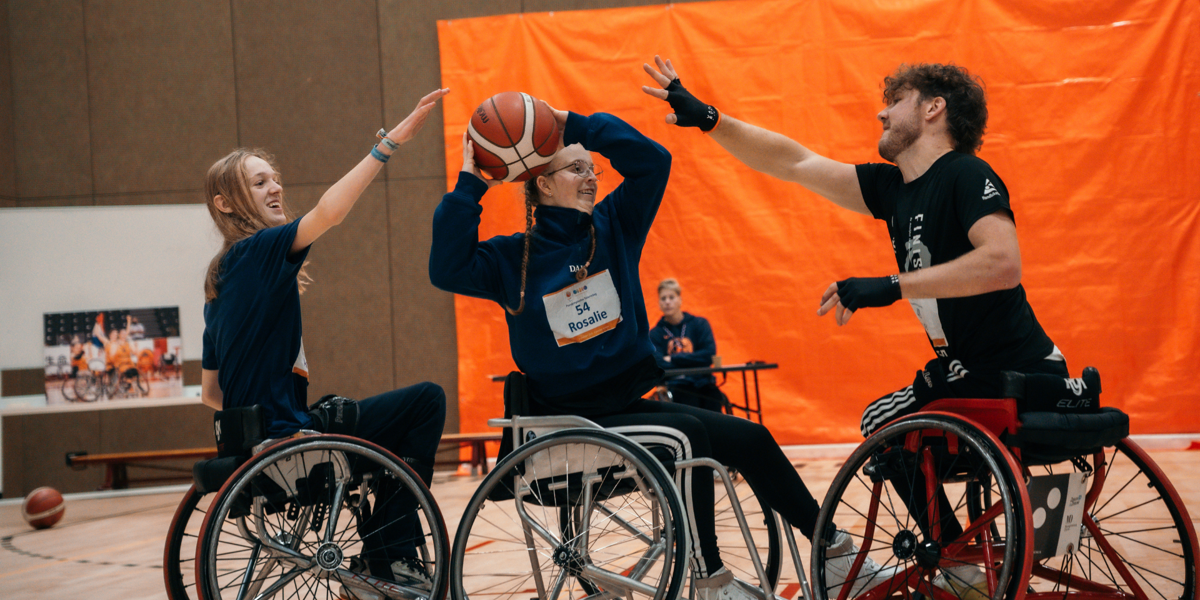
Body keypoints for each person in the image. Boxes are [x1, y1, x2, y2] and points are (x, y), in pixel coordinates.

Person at [643, 55, 1068, 599]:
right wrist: (710, 119)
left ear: (934, 108)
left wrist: (888, 286)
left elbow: (1003, 263)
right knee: (898, 423)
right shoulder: (895, 191)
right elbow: (794, 162)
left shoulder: (966, 173)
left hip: (1012, 372)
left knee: (881, 424)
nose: (880, 113)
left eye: (896, 101)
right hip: (974, 374)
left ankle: (961, 568)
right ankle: (964, 562)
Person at [430, 104, 860, 600]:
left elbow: (653, 161)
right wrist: (469, 185)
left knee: (752, 438)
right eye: (576, 168)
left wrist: (575, 124)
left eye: (593, 167)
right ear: (543, 184)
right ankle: (709, 580)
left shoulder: (614, 227)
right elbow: (446, 267)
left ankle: (834, 553)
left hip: (625, 408)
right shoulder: (509, 259)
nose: (591, 177)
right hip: (568, 422)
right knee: (689, 435)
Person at [199, 88, 449, 595]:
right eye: (259, 181)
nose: (275, 188)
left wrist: (262, 423)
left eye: (275, 179)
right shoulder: (259, 251)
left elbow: (211, 393)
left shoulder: (218, 281)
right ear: (226, 203)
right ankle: (389, 557)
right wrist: (389, 144)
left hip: (258, 451)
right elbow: (329, 212)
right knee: (425, 403)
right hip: (291, 448)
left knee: (368, 418)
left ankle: (383, 548)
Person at [650, 278, 727, 413]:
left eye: (671, 297)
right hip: (676, 386)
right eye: (663, 298)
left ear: (680, 299)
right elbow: (658, 364)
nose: (667, 302)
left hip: (703, 383)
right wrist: (693, 360)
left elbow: (709, 355)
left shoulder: (700, 324)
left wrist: (673, 359)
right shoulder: (655, 334)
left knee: (714, 400)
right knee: (688, 403)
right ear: (659, 303)